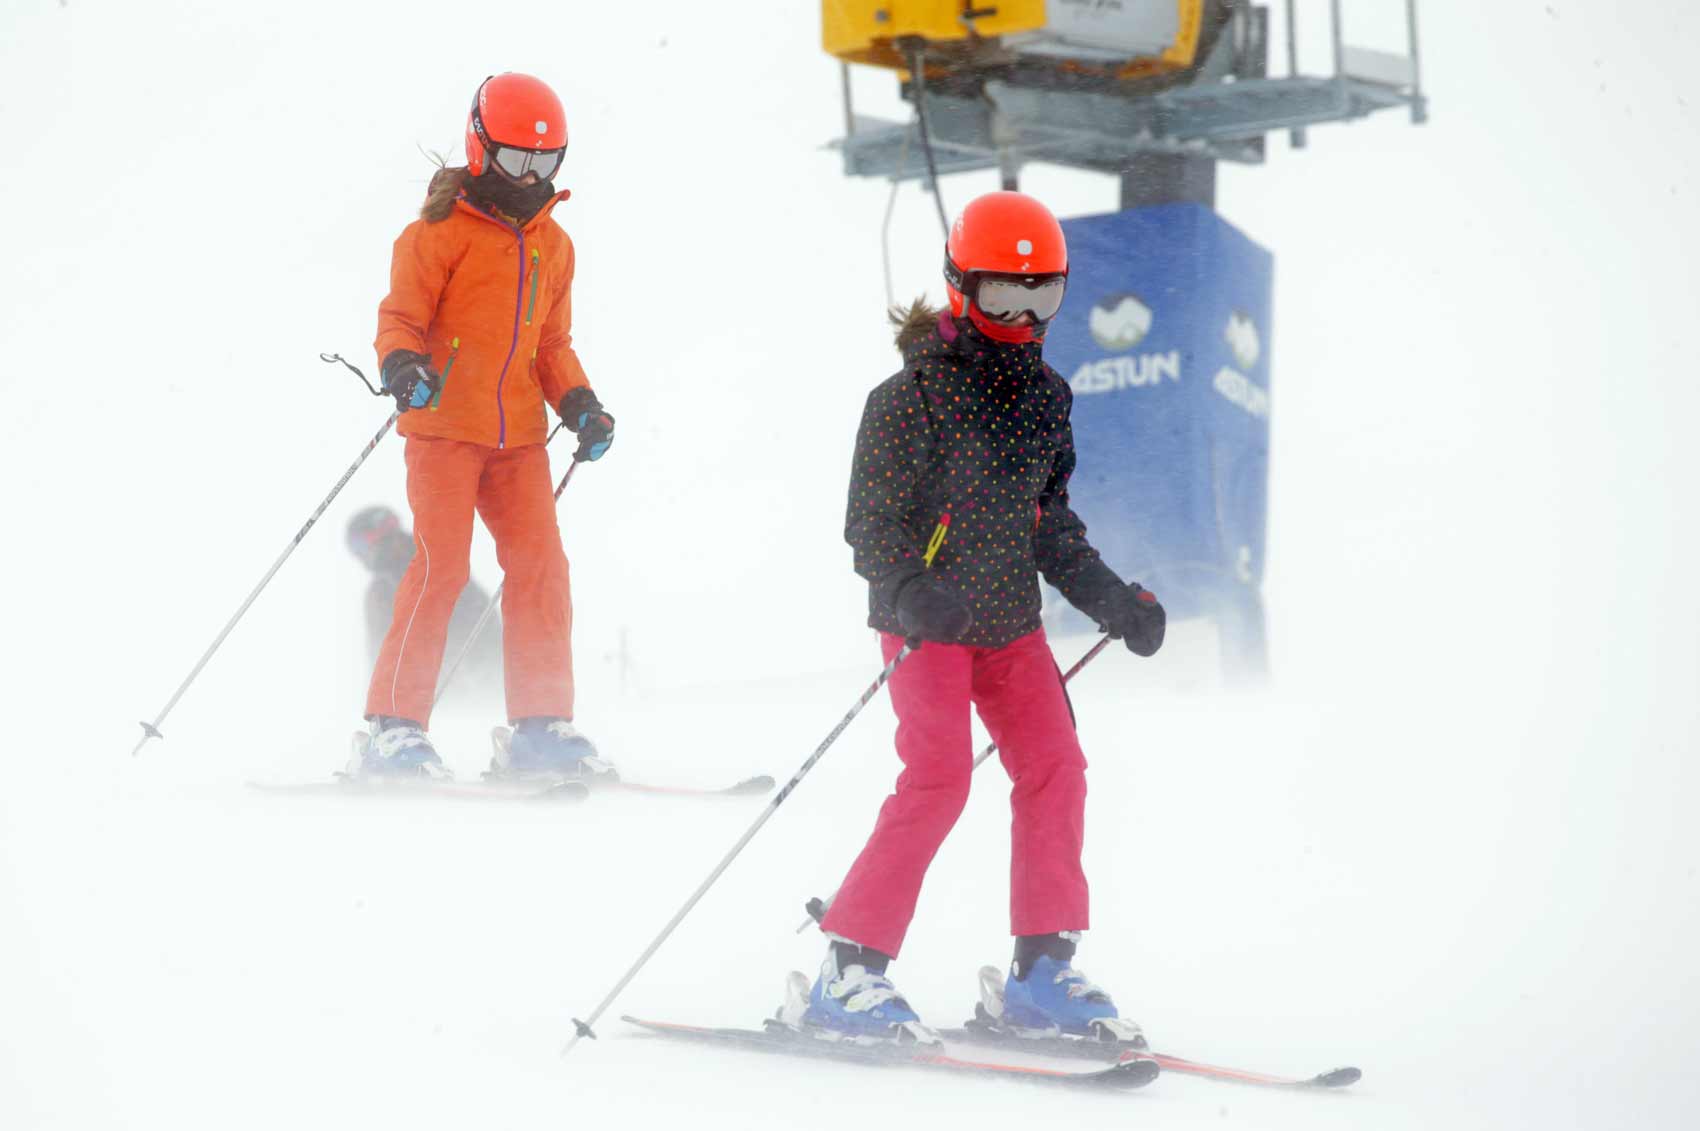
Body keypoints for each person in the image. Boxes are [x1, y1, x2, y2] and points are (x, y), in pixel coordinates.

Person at [804, 192, 1166, 1042]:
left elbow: (1052, 526)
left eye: (1043, 297)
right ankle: (847, 970)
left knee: (1056, 769)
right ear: (961, 287)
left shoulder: (1049, 397)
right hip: (927, 622)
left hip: (1010, 626)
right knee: (938, 780)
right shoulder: (908, 398)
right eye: (1004, 296)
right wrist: (907, 590)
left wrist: (1113, 596)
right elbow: (870, 524)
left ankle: (1042, 972)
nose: (1024, 316)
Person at [354, 72, 617, 782]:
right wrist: (404, 364)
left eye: (545, 162)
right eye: (515, 160)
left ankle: (539, 727)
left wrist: (581, 404)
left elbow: (553, 346)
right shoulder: (436, 234)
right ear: (478, 146)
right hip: (443, 428)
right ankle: (391, 728)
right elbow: (399, 318)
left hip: (520, 441)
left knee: (540, 571)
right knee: (441, 568)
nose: (530, 176)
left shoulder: (554, 246)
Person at [345, 504, 503, 707]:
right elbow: (381, 655)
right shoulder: (383, 591)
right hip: (445, 689)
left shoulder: (430, 564)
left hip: (474, 676)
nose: (395, 547)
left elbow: (481, 620)